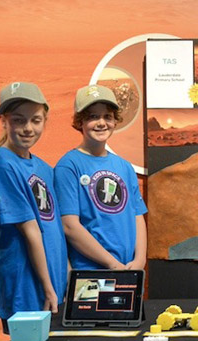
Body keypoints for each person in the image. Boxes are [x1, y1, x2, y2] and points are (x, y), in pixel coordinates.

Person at [0, 82, 68, 332]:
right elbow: (30, 229)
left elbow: (53, 227)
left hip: (53, 285)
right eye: (18, 120)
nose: (27, 128)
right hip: (26, 287)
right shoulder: (2, 162)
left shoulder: (44, 168)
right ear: (4, 121)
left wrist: (62, 277)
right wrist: (47, 286)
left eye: (35, 120)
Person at [54, 85, 147, 271]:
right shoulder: (68, 166)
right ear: (80, 122)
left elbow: (137, 216)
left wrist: (140, 260)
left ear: (115, 121)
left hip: (127, 270)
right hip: (90, 273)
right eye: (93, 117)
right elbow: (69, 225)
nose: (101, 123)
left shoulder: (124, 167)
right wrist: (111, 263)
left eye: (107, 116)